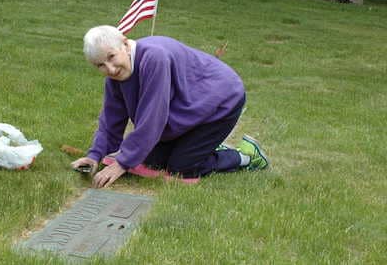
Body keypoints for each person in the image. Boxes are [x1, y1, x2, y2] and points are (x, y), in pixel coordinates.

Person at [70, 26, 268, 188]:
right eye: (100, 65)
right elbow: (110, 121)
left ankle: (245, 156)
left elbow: (153, 118)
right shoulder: (114, 79)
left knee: (181, 169)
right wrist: (94, 156)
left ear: (124, 43)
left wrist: (122, 163)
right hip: (188, 110)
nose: (110, 69)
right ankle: (199, 144)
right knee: (151, 161)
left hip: (220, 102)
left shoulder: (155, 58)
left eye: (111, 57)